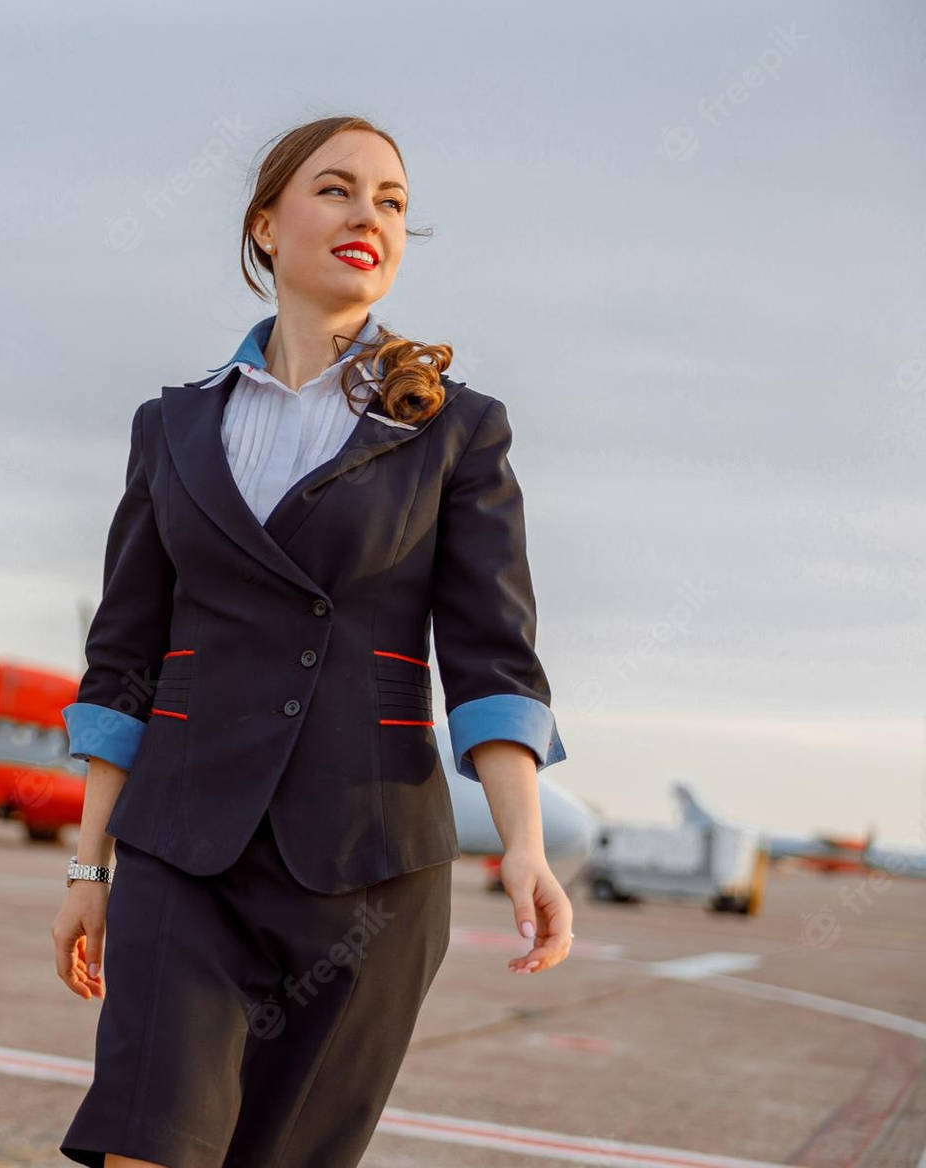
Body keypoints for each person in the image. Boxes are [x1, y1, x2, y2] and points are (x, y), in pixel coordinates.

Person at [51, 115, 574, 1168]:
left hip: (370, 862)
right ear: (265, 223)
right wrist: (88, 862)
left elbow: (491, 654)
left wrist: (524, 841)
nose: (369, 216)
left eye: (391, 200)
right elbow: (123, 662)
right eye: (336, 190)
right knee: (146, 1145)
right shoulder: (174, 426)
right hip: (182, 845)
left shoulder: (454, 427)